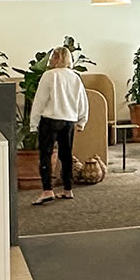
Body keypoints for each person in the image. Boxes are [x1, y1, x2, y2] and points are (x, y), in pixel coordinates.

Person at [31, 47, 89, 205]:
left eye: (52, 57)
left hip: (50, 119)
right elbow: (82, 100)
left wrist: (33, 123)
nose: (50, 60)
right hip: (69, 121)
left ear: (57, 59)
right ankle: (68, 189)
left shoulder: (49, 76)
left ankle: (47, 190)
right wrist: (82, 120)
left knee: (46, 154)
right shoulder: (75, 77)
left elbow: (40, 101)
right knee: (66, 155)